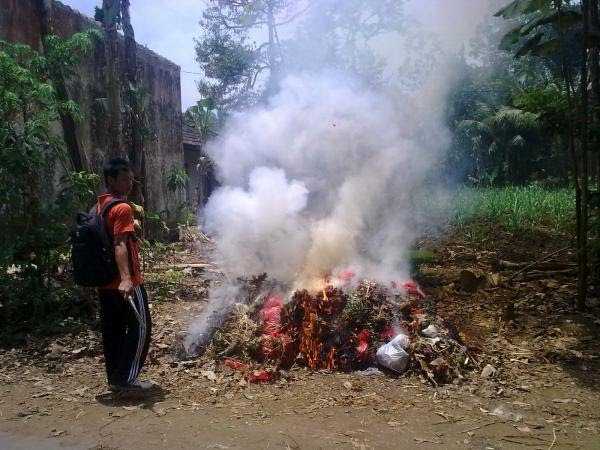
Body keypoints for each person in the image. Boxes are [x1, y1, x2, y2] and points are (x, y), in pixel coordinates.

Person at [97, 157, 153, 393]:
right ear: (110, 180)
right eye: (123, 179)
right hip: (126, 282)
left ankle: (116, 379)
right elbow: (119, 244)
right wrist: (127, 279)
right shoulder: (122, 208)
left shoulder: (100, 205)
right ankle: (128, 380)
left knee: (114, 331)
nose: (129, 183)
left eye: (131, 179)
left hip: (105, 283)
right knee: (142, 327)